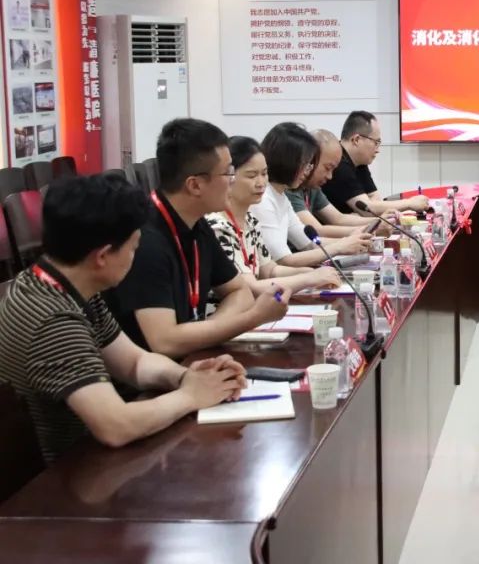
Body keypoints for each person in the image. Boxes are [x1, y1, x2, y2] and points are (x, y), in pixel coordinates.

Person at [0, 174, 247, 462]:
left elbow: (134, 362)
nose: (135, 256)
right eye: (133, 247)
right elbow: (116, 426)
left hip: (91, 455)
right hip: (66, 472)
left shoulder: (66, 283)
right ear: (103, 256)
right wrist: (190, 396)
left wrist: (187, 377)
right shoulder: (53, 320)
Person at [107, 118, 288, 359]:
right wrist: (253, 318)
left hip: (191, 358)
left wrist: (204, 332)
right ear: (194, 185)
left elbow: (239, 292)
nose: (233, 180)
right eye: (228, 172)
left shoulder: (196, 222)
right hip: (150, 375)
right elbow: (165, 342)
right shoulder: (144, 240)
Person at [206, 136, 343, 298]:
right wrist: (308, 278)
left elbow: (270, 270)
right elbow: (250, 287)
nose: (261, 183)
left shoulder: (250, 220)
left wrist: (310, 272)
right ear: (229, 177)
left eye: (264, 174)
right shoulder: (218, 226)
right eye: (252, 176)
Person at [251, 122, 371, 268]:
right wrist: (340, 246)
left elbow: (309, 243)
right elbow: (284, 260)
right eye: (306, 164)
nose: (307, 171)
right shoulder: (263, 198)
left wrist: (350, 242)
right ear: (287, 161)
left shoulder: (281, 196)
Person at [321, 111, 429, 217]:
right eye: (376, 142)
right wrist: (409, 203)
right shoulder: (339, 164)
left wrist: (368, 210)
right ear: (356, 140)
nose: (378, 150)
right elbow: (367, 210)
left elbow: (375, 199)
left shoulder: (359, 161)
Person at [287, 129, 388, 238]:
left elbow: (338, 219)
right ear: (310, 160)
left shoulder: (313, 188)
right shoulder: (291, 188)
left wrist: (379, 221)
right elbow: (317, 231)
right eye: (327, 168)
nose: (330, 176)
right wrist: (369, 230)